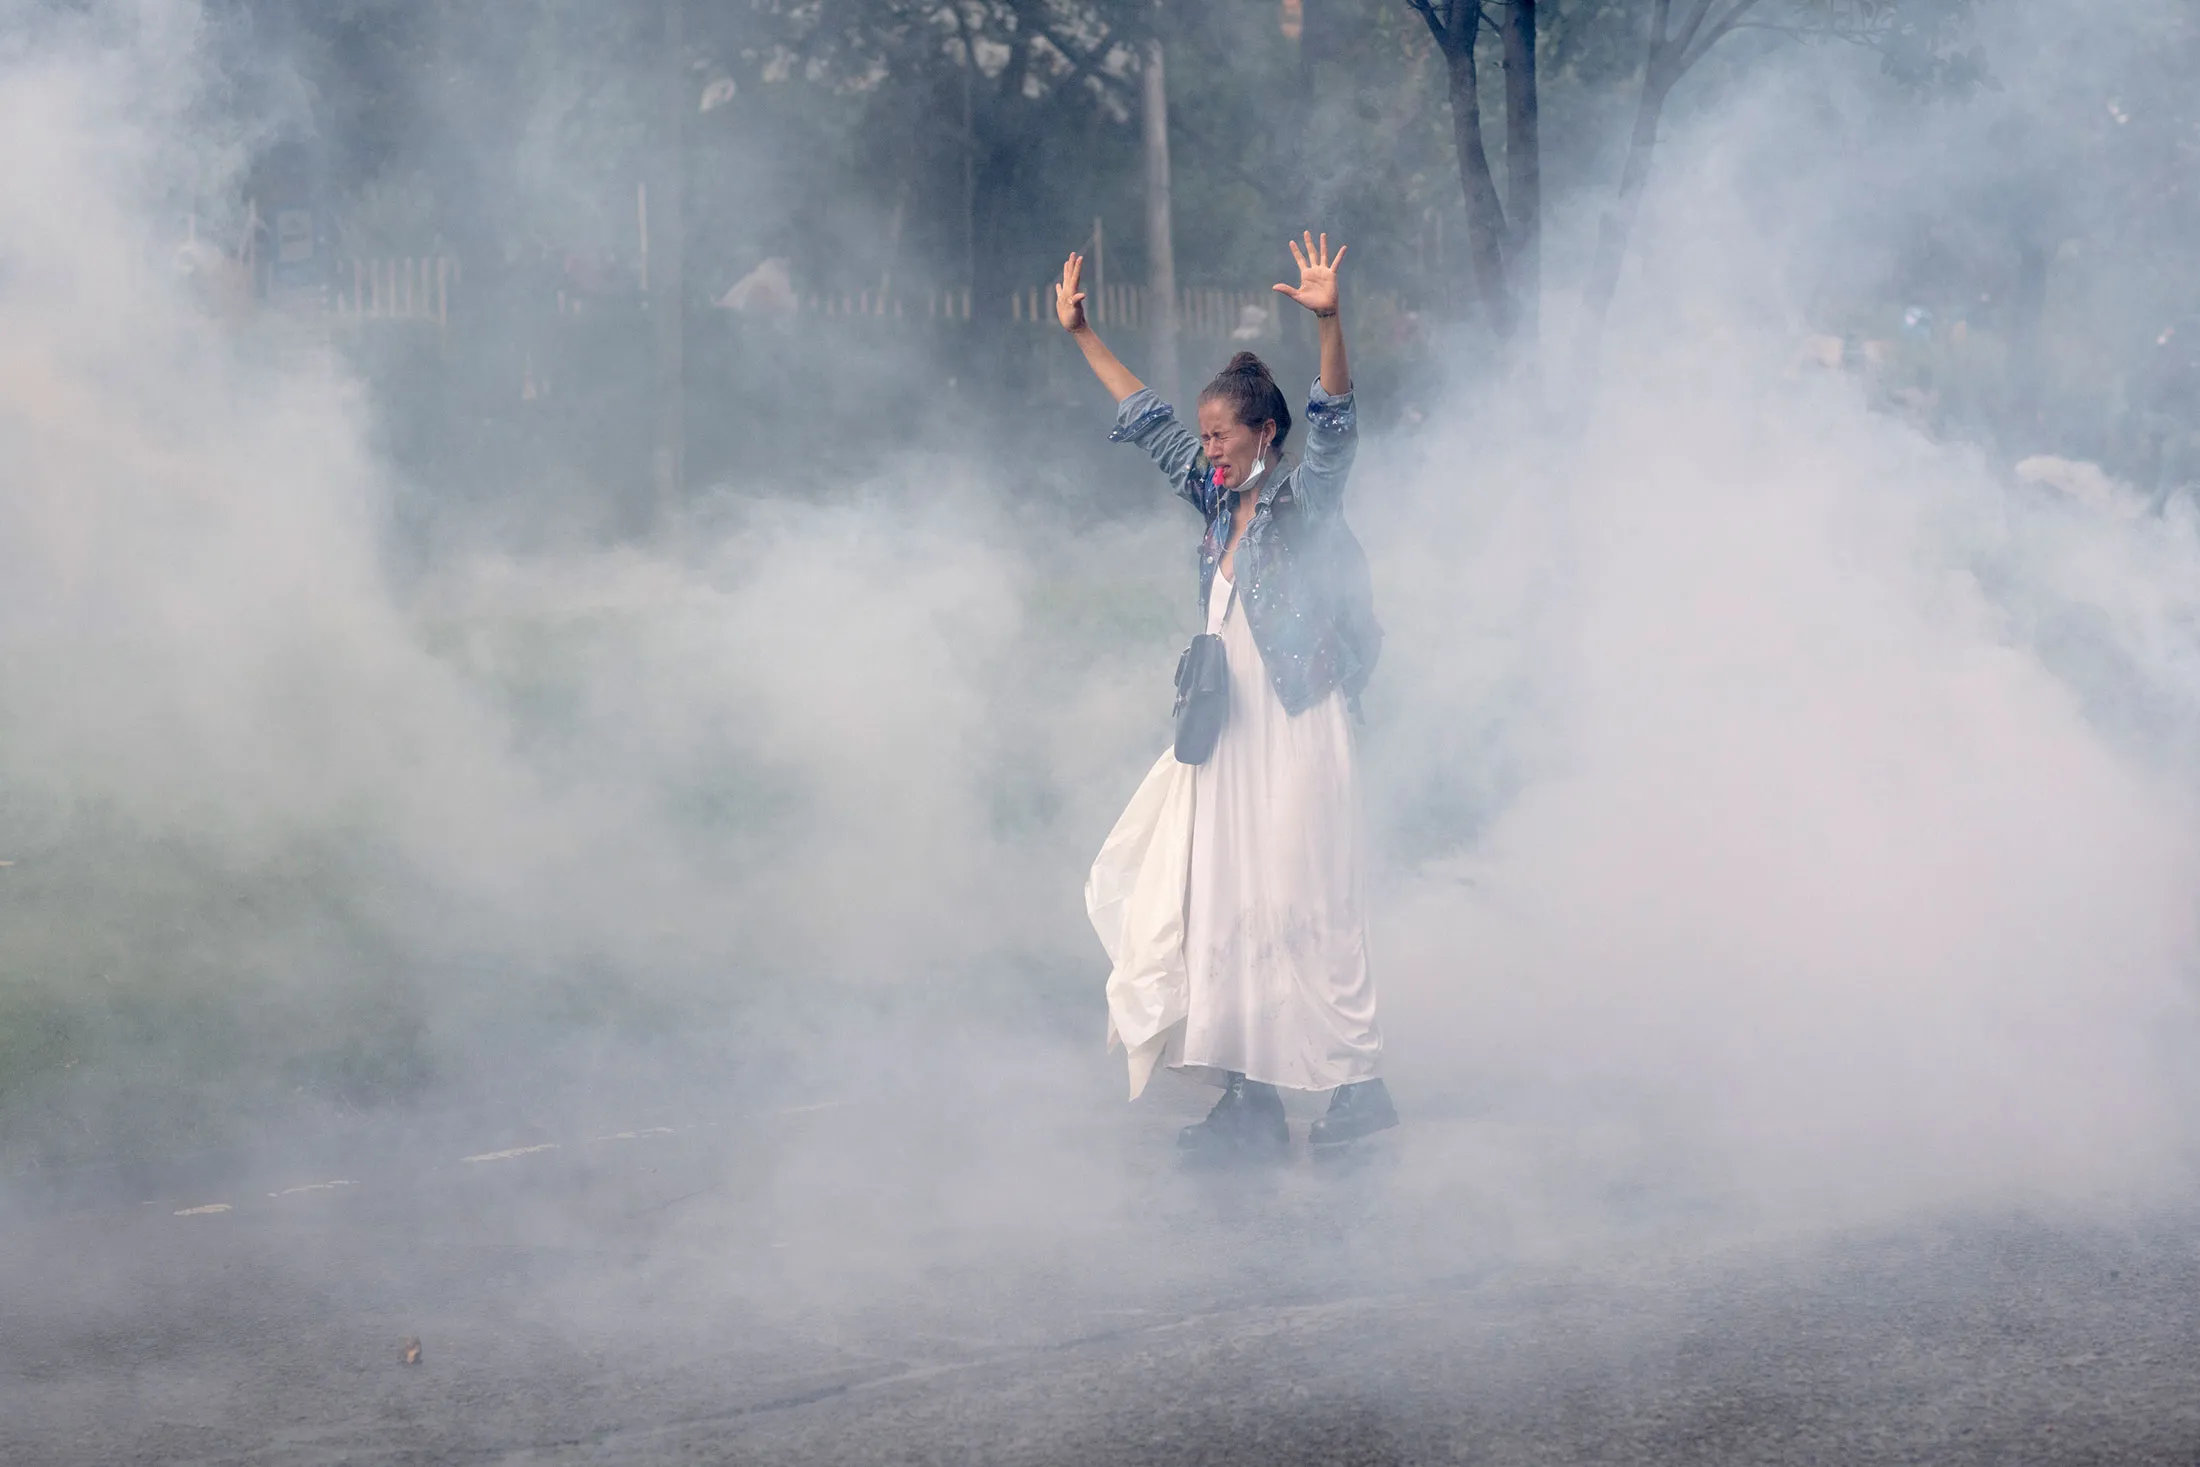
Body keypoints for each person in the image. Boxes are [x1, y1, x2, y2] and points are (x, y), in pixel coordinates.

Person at [1063, 233, 1395, 1161]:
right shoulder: (1216, 503)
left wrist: (1329, 322)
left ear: (1265, 435)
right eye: (1206, 437)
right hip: (1229, 737)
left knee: (1306, 903)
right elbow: (1149, 417)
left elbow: (1337, 427)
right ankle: (1246, 1097)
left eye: (1223, 436)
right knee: (1222, 904)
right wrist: (1083, 334)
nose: (1206, 450)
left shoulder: (1304, 503)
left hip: (1297, 729)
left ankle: (1357, 1090)